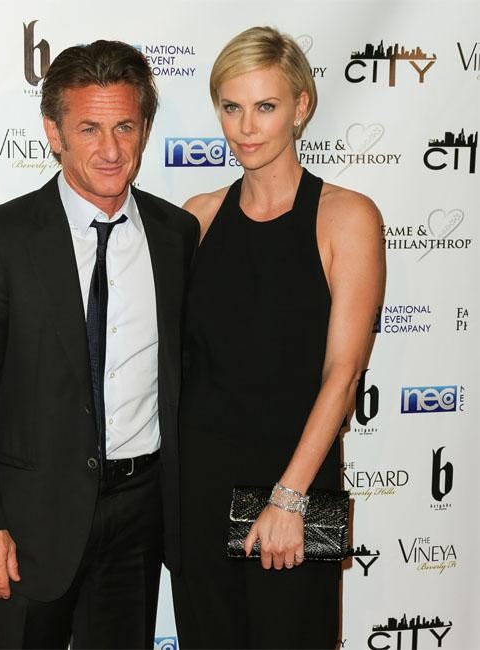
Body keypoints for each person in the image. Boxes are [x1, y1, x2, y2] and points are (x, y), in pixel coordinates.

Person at [0, 40, 198, 650]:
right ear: (53, 133)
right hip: (28, 521)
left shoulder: (176, 234)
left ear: (144, 129)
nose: (111, 149)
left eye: (125, 126)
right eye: (89, 128)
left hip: (140, 514)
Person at [171, 26, 385, 649]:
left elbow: (343, 374)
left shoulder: (347, 216)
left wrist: (289, 498)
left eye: (265, 106)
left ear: (301, 107)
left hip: (299, 482)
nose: (246, 127)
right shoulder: (197, 217)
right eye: (231, 107)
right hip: (200, 487)